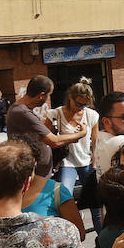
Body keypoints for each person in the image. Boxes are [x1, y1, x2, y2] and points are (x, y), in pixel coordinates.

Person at [8, 75, 88, 177]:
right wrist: (81, 134)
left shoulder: (22, 109)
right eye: (49, 95)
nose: (48, 98)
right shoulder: (22, 112)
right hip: (35, 177)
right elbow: (54, 141)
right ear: (41, 95)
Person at [53, 79, 101, 230]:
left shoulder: (92, 115)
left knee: (96, 203)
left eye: (84, 105)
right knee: (63, 198)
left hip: (87, 161)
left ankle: (101, 237)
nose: (81, 108)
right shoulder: (56, 114)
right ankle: (72, 232)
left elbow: (96, 141)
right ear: (70, 98)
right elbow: (46, 139)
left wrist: (94, 164)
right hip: (67, 162)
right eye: (78, 104)